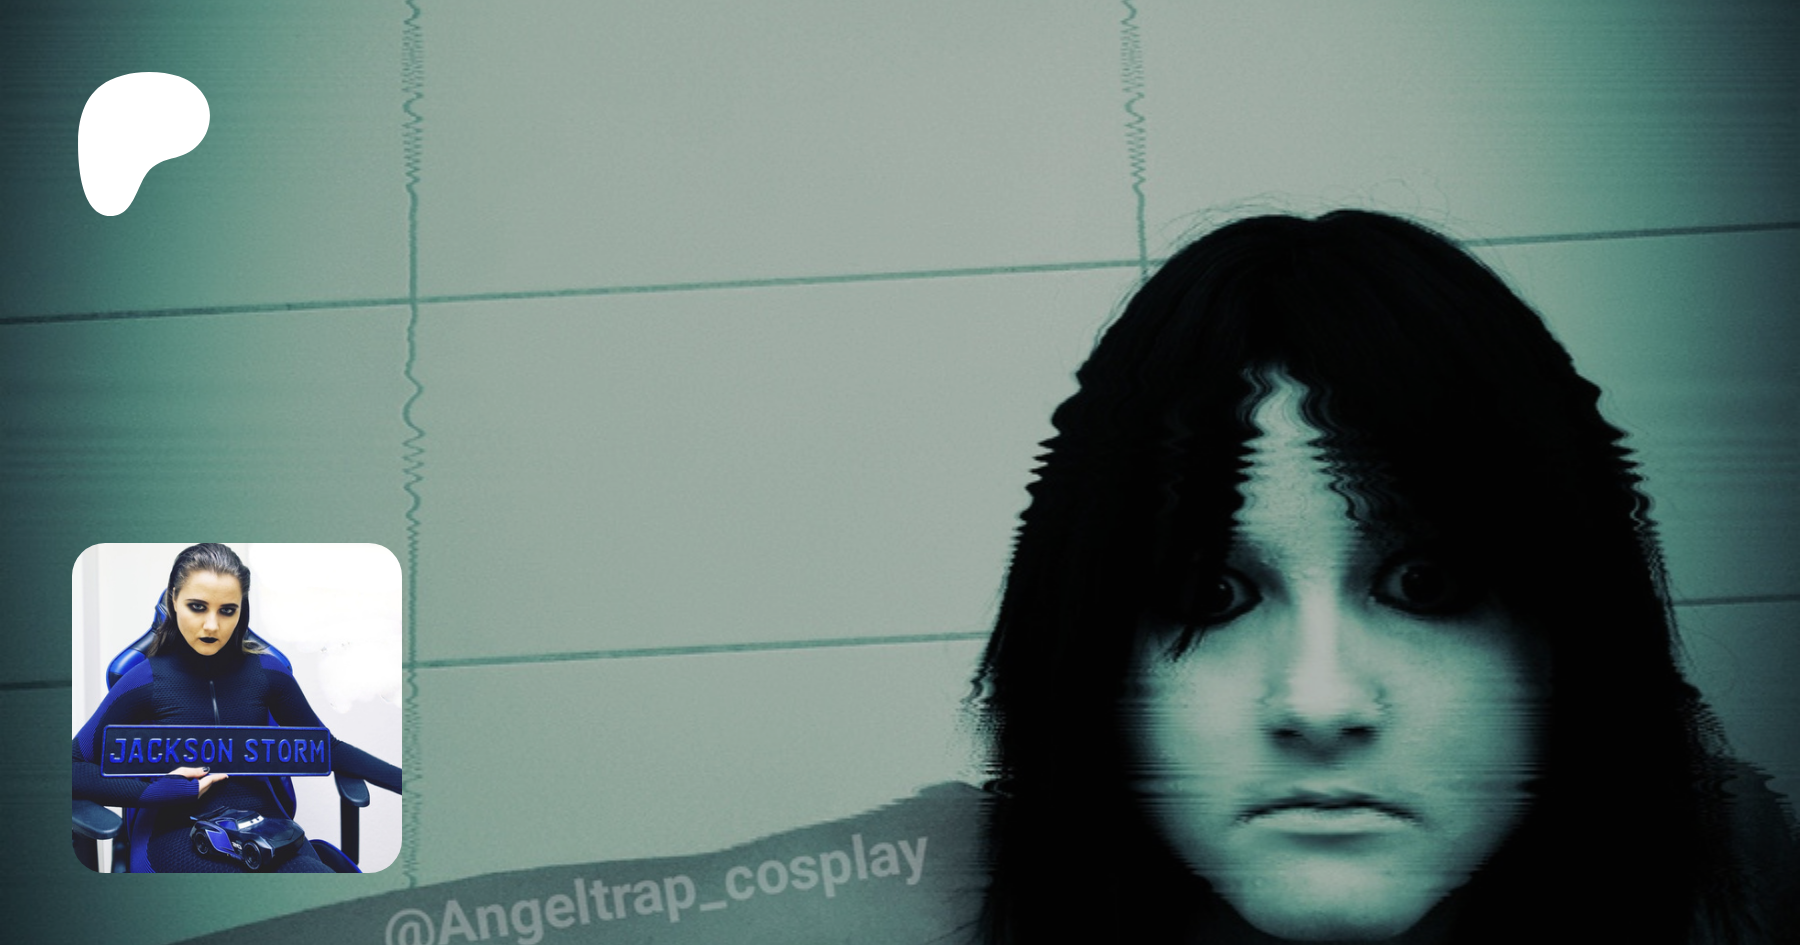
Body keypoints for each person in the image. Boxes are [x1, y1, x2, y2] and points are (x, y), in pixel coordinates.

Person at [972, 210, 1799, 944]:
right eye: (1209, 597)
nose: (1319, 703)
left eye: (1424, 586)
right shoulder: (913, 894)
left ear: (1574, 636)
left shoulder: (1752, 871)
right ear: (1086, 663)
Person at [71, 542, 402, 872]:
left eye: (227, 610)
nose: (212, 625)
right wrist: (156, 792)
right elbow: (71, 766)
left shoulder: (268, 674)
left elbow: (327, 748)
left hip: (268, 831)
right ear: (173, 601)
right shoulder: (144, 680)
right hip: (177, 832)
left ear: (242, 609)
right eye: (197, 607)